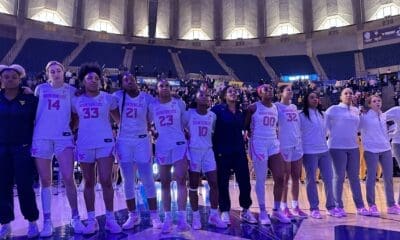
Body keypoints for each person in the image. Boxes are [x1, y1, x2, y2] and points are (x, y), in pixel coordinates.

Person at [31, 61, 84, 237]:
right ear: (48, 74)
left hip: (63, 138)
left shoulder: (71, 91)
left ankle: (75, 217)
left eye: (58, 70)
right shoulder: (40, 89)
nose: (55, 73)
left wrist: (72, 128)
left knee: (69, 177)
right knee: (45, 180)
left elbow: (77, 114)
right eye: (52, 71)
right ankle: (47, 221)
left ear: (64, 72)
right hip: (41, 137)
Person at [71, 63, 121, 234]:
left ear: (101, 81)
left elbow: (119, 121)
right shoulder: (76, 100)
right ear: (83, 81)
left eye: (96, 78)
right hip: (85, 143)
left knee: (106, 180)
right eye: (89, 78)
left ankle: (110, 219)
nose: (93, 81)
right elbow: (73, 123)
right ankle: (91, 220)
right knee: (89, 182)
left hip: (105, 142)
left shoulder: (109, 98)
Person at [113, 73, 162, 229]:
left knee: (148, 179)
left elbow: (150, 120)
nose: (129, 81)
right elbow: (104, 103)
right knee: (128, 181)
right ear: (122, 84)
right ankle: (133, 215)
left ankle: (154, 216)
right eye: (126, 80)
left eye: (131, 79)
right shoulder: (117, 96)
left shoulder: (147, 98)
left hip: (142, 140)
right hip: (124, 141)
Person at [0, 64, 40, 238]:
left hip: (23, 149)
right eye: (6, 76)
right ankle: (5, 224)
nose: (10, 79)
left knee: (25, 187)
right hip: (1, 149)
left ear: (20, 79)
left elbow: (39, 121)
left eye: (13, 77)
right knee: (2, 188)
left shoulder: (30, 99)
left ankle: (32, 221)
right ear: (1, 79)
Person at [149, 79, 190, 233]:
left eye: (167, 85)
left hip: (179, 143)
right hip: (162, 146)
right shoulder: (152, 105)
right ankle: (167, 218)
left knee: (180, 179)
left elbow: (185, 123)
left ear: (171, 88)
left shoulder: (179, 103)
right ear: (157, 89)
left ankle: (182, 218)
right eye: (161, 86)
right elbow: (146, 123)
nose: (165, 88)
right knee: (165, 182)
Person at [212, 86, 257, 225]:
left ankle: (245, 210)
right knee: (223, 182)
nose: (233, 93)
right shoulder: (217, 110)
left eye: (234, 91)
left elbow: (246, 128)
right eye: (229, 91)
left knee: (244, 182)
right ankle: (225, 210)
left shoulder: (241, 112)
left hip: (238, 151)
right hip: (222, 151)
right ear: (224, 95)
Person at [245, 84, 289, 224]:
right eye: (266, 89)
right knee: (261, 179)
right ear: (259, 93)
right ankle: (263, 211)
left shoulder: (276, 107)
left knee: (280, 177)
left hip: (273, 143)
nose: (269, 91)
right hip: (258, 143)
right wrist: (247, 135)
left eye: (271, 89)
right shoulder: (253, 107)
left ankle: (276, 210)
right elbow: (245, 126)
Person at [185, 90, 227, 229]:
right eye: (201, 95)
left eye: (207, 96)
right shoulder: (189, 114)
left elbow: (214, 132)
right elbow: (180, 128)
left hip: (208, 151)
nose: (205, 97)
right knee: (193, 185)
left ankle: (213, 216)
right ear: (196, 99)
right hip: (194, 151)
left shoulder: (212, 116)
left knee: (214, 183)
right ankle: (195, 217)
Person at [325, 88, 369, 217]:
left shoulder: (356, 111)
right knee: (339, 177)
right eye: (346, 93)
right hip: (336, 147)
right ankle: (338, 206)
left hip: (353, 147)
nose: (349, 95)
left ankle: (360, 206)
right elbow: (325, 127)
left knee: (354, 178)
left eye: (351, 93)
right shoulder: (333, 109)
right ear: (341, 96)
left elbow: (359, 128)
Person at [300, 91, 340, 219]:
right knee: (311, 180)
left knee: (329, 179)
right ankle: (314, 208)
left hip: (324, 151)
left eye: (317, 97)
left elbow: (328, 131)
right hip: (309, 152)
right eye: (312, 97)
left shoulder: (323, 115)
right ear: (306, 100)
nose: (315, 99)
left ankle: (331, 207)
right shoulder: (301, 116)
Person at [361, 95, 400, 216]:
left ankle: (391, 205)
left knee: (388, 178)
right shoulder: (364, 116)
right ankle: (372, 205)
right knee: (371, 178)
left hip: (386, 149)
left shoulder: (383, 116)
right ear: (369, 104)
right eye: (374, 101)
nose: (377, 103)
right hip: (371, 150)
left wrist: (390, 136)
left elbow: (388, 129)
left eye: (379, 101)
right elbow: (357, 128)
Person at [275, 84, 308, 218]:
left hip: (297, 145)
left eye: (291, 90)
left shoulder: (294, 107)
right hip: (284, 145)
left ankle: (295, 206)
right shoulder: (276, 107)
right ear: (281, 93)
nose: (291, 92)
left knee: (296, 177)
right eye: (287, 90)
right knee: (285, 177)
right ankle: (284, 206)